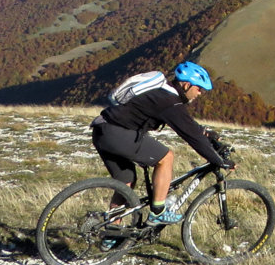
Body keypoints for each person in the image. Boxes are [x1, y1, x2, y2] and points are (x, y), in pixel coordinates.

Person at [90, 61, 233, 225]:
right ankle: (157, 212)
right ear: (186, 85)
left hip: (102, 130)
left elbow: (189, 125)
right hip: (118, 135)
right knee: (166, 157)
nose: (200, 93)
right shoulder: (169, 102)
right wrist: (219, 161)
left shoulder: (162, 91)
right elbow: (192, 136)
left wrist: (207, 134)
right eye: (199, 88)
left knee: (126, 182)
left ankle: (110, 232)